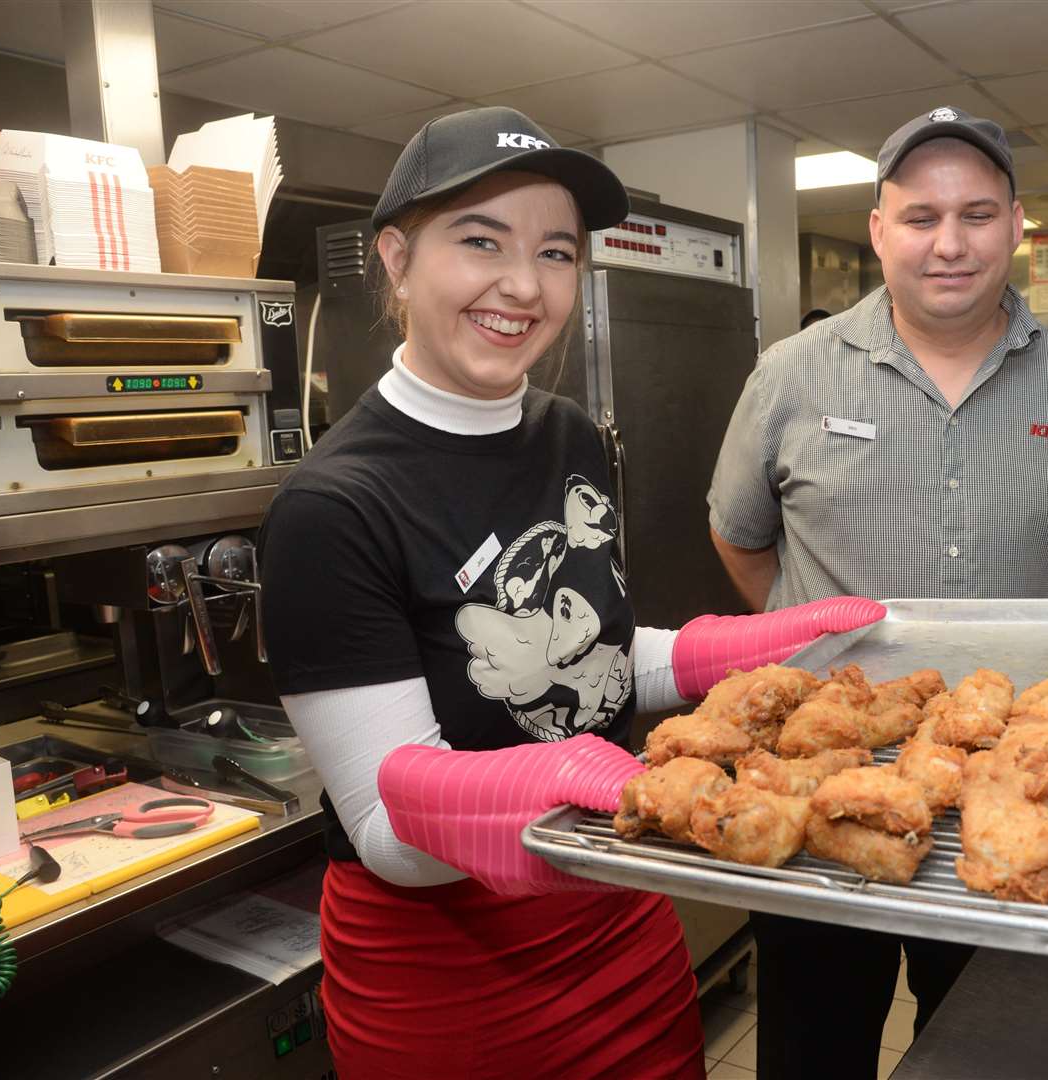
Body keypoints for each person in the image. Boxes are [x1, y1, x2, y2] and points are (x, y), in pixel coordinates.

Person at [258, 106, 883, 1080]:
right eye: (479, 241)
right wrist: (535, 789)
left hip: (618, 918)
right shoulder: (333, 508)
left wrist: (721, 651)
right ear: (395, 257)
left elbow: (589, 660)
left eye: (555, 251)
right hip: (448, 974)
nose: (522, 284)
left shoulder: (569, 436)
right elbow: (386, 831)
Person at [707, 106, 1048, 1078]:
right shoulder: (789, 376)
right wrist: (818, 658)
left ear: (1016, 225)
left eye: (977, 214)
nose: (948, 243)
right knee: (810, 1050)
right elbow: (741, 538)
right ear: (880, 230)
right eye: (919, 217)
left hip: (1015, 799)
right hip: (829, 793)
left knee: (990, 1052)